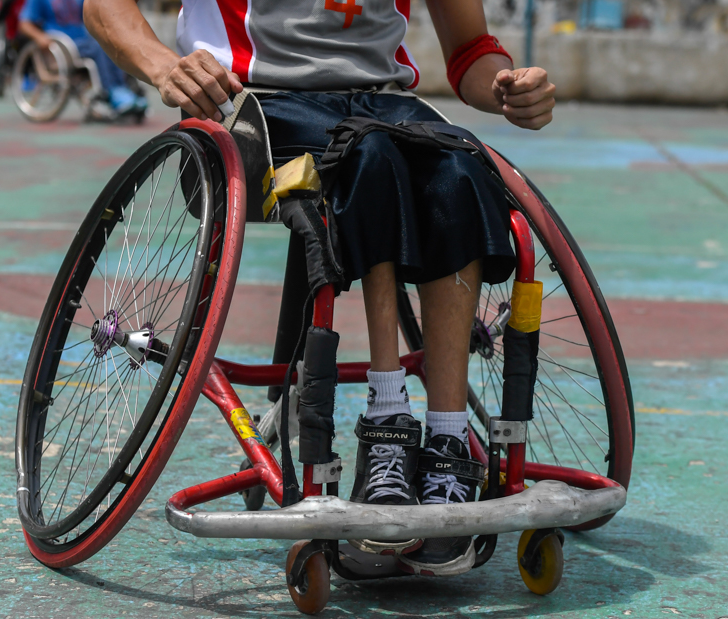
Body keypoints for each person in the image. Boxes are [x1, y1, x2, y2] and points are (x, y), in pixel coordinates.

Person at [85, 0, 555, 577]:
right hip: (252, 104)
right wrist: (163, 65)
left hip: (382, 100)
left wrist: (507, 86)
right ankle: (387, 425)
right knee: (371, 158)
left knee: (460, 173)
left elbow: (470, 51)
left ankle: (447, 443)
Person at [18, 0, 144, 115]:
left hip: (83, 43)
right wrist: (39, 37)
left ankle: (123, 89)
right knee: (99, 47)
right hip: (61, 47)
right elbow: (24, 24)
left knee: (109, 42)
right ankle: (113, 91)